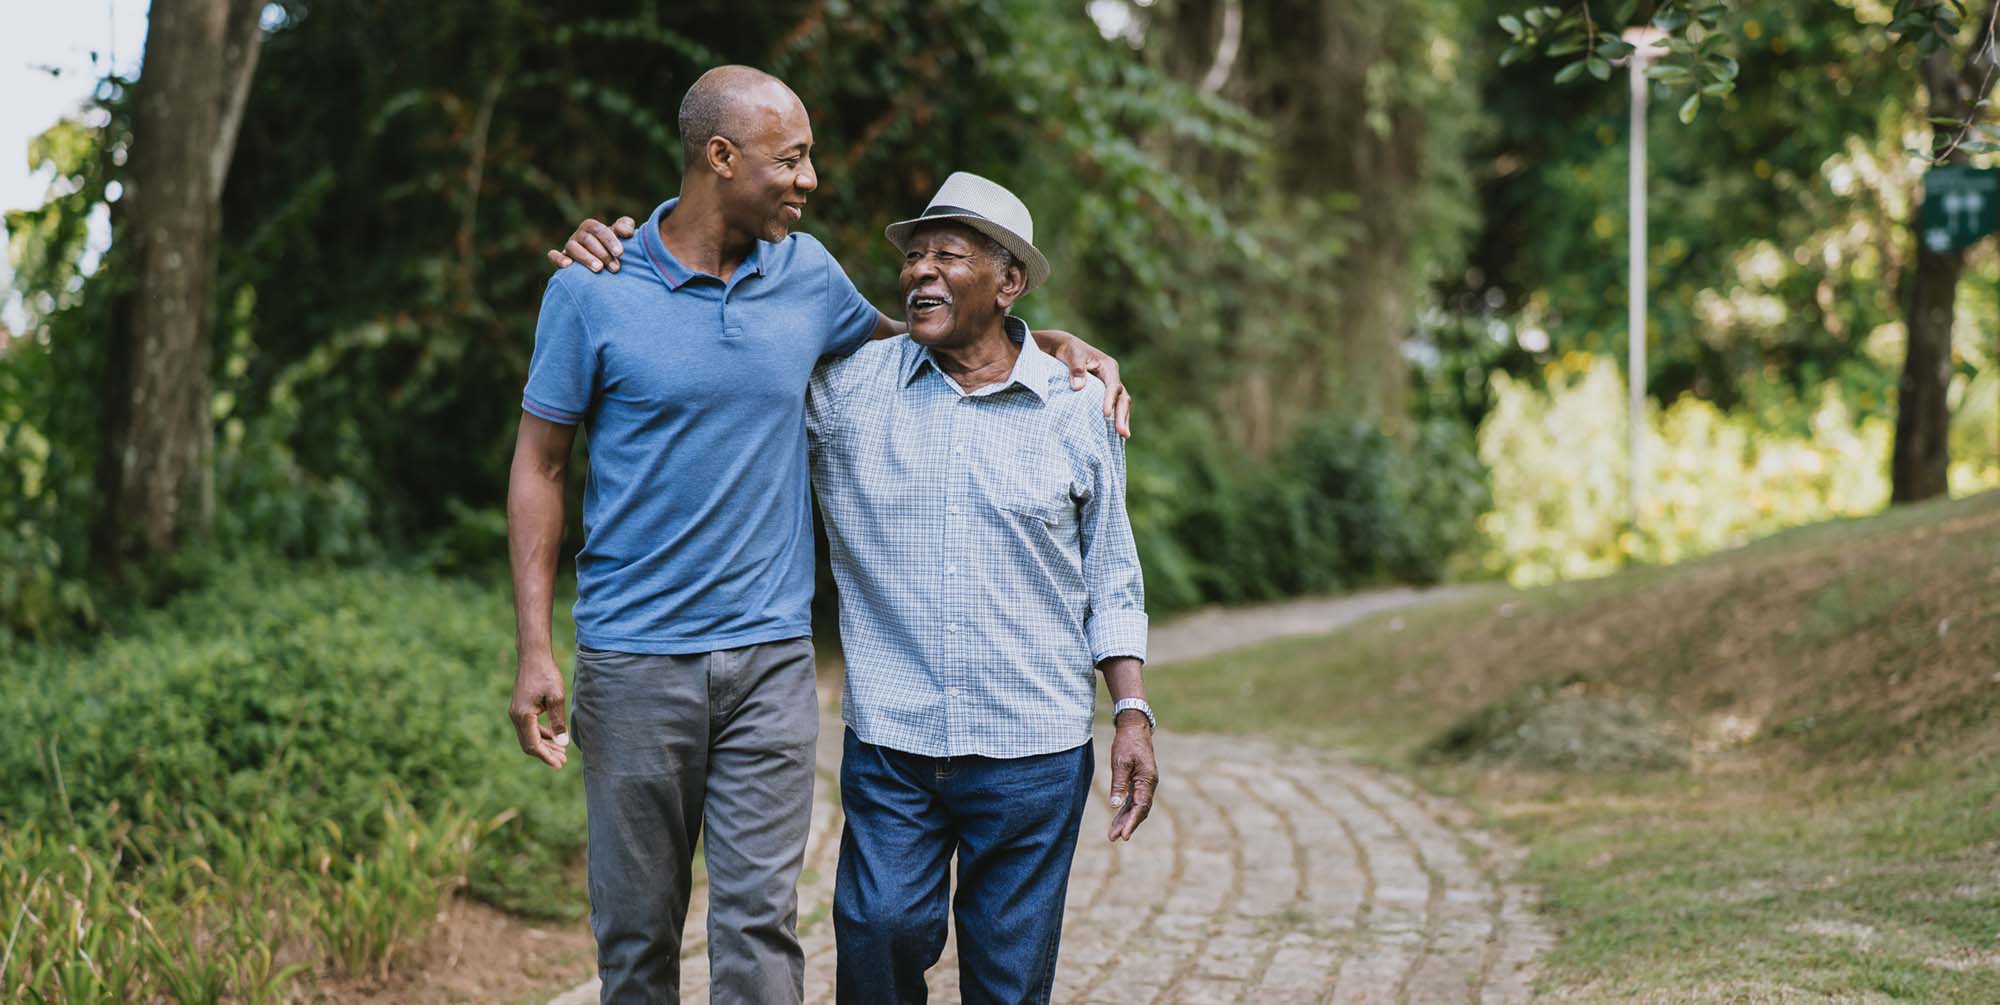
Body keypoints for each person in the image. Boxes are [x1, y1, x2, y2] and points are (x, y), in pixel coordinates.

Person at [509, 66, 1125, 1004]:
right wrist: (533, 647)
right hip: (633, 660)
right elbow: (540, 466)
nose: (808, 178)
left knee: (759, 928)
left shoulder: (805, 276)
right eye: (791, 158)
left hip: (769, 662)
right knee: (635, 938)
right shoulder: (594, 290)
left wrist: (1049, 343)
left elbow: (928, 335)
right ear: (722, 157)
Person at [807, 171, 1158, 1004]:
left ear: (1008, 282)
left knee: (1006, 985)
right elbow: (732, 374)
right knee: (879, 932)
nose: (920, 271)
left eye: (948, 256)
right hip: (895, 740)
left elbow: (1112, 571)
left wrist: (1133, 711)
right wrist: (629, 256)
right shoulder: (850, 390)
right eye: (914, 255)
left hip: (1033, 750)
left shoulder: (1076, 409)